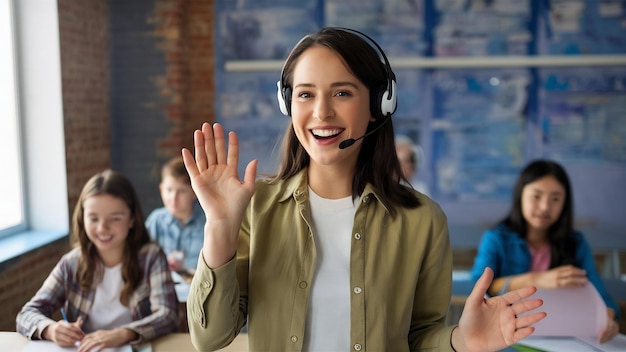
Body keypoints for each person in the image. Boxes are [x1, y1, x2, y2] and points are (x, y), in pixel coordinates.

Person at [183, 27, 545, 352]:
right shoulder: (255, 208)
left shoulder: (422, 220)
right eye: (306, 95)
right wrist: (219, 226)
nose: (322, 112)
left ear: (377, 105)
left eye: (342, 92)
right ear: (288, 105)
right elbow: (210, 337)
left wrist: (461, 341)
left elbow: (420, 336)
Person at [16, 170, 178, 352]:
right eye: (93, 218)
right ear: (82, 218)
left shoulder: (151, 258)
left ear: (132, 219)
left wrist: (125, 333)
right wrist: (50, 329)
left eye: (115, 218)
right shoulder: (71, 263)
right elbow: (27, 313)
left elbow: (168, 315)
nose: (102, 228)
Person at [470, 159, 620, 343]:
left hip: (563, 338)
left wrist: (609, 317)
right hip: (507, 335)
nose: (545, 207)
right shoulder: (496, 238)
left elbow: (602, 298)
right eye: (536, 196)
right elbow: (478, 288)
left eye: (555, 198)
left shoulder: (576, 243)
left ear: (565, 203)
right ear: (521, 196)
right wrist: (536, 279)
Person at [146, 156, 205, 274]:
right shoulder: (156, 221)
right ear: (161, 189)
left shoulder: (207, 222)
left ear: (195, 192)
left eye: (182, 191)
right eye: (169, 190)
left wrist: (186, 266)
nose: (173, 198)